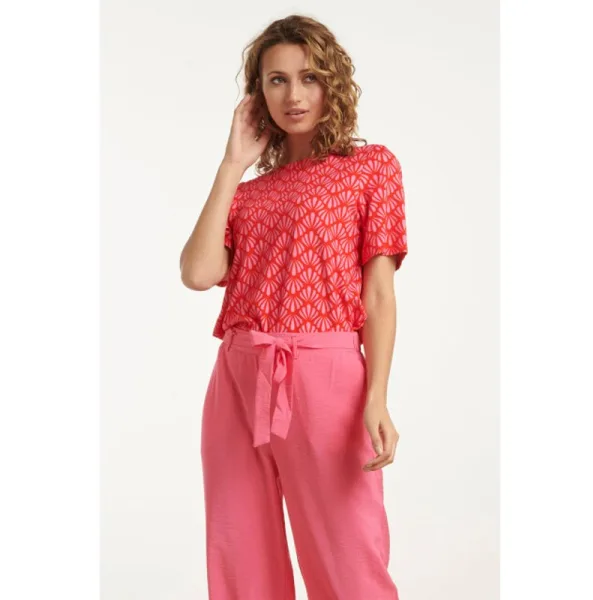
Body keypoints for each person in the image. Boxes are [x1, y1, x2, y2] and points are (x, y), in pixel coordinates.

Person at [180, 14, 408, 600]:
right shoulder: (247, 193)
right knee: (240, 551)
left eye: (309, 77)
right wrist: (232, 164)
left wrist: (376, 396)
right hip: (238, 377)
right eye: (276, 80)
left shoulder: (370, 168)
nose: (293, 95)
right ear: (258, 93)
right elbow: (198, 273)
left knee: (347, 555)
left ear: (333, 83)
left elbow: (379, 295)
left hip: (326, 377)